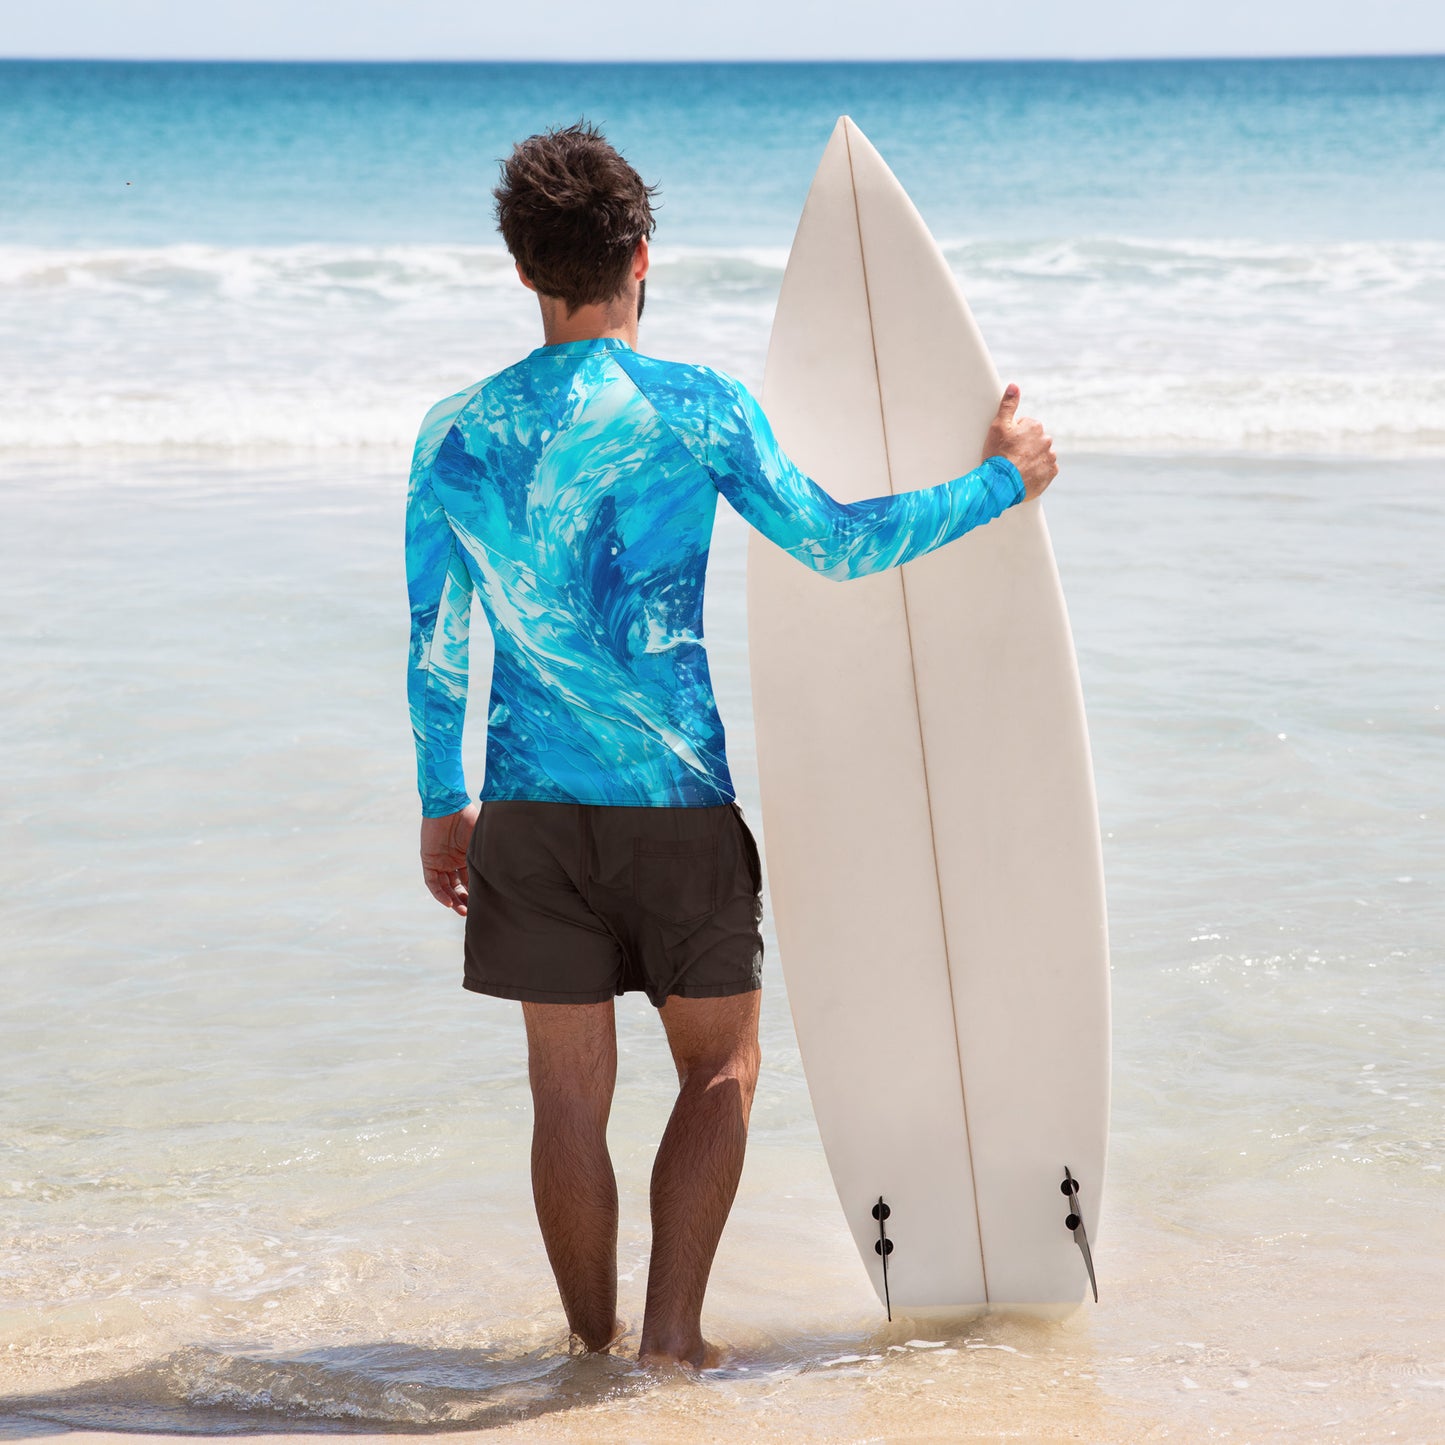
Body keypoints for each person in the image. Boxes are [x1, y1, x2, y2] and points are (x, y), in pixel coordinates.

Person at [404, 121, 1057, 1370]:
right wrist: (997, 483)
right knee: (719, 1071)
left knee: (564, 1098)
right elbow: (834, 542)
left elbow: (435, 637)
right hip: (679, 809)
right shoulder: (691, 405)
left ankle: (585, 1351)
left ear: (522, 268)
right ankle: (669, 1341)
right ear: (640, 254)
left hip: (529, 816)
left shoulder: (456, 431)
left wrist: (445, 803)